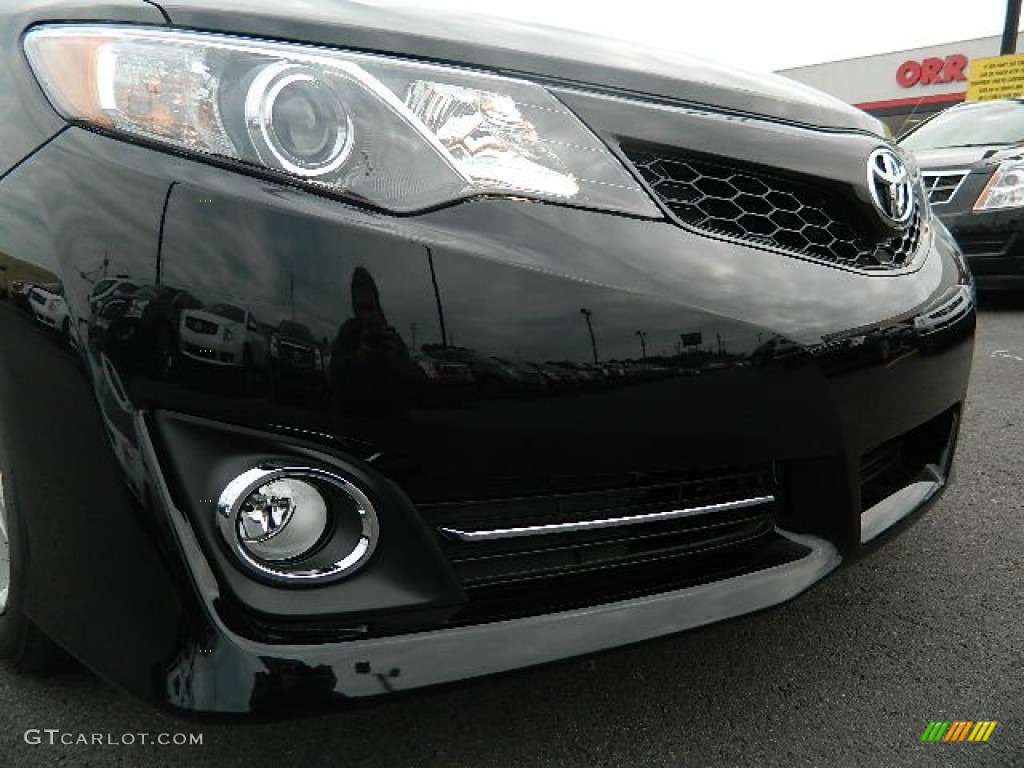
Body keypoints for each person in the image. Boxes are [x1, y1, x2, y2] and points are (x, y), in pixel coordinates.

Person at [329, 267, 414, 417]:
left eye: (369, 308)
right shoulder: (347, 332)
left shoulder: (392, 339)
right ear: (353, 308)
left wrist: (392, 360)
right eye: (359, 309)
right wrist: (359, 359)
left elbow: (410, 394)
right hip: (350, 422)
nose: (365, 315)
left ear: (378, 307)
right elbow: (334, 380)